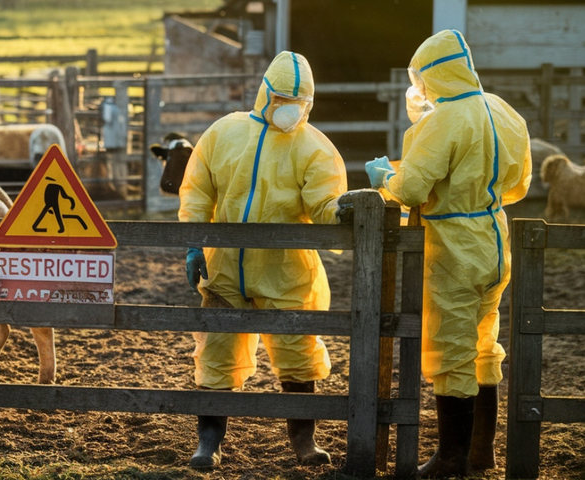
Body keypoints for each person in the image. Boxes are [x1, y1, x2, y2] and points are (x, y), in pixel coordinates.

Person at [179, 50, 359, 469]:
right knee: (217, 353)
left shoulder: (314, 148)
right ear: (265, 95)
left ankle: (303, 441)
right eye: (282, 100)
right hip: (224, 266)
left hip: (286, 271)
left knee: (297, 351)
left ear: (309, 104)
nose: (289, 111)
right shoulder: (224, 134)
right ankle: (209, 442)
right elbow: (197, 191)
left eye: (299, 104)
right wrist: (193, 243)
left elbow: (324, 204)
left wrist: (341, 210)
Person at [365, 29, 531, 478]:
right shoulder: (503, 110)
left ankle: (452, 457)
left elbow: (413, 188)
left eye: (421, 79)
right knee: (484, 344)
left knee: (451, 350)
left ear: (432, 75)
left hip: (453, 244)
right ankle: (482, 452)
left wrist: (384, 176)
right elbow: (520, 186)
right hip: (495, 236)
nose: (419, 90)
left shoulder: (443, 120)